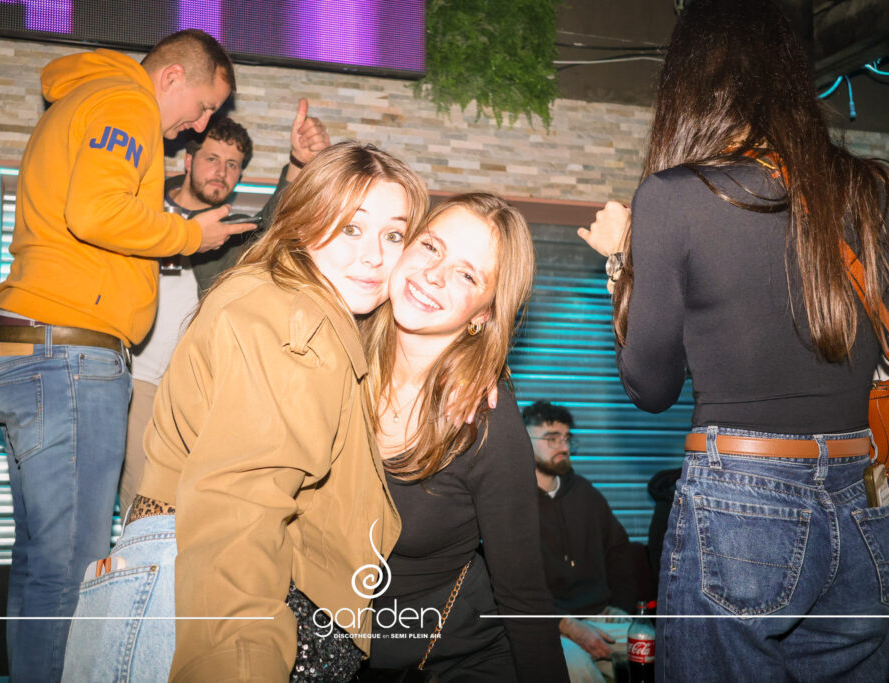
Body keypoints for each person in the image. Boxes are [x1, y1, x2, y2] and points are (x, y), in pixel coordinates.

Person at [577, 0, 889, 680]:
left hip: (741, 499)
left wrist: (622, 260)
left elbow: (650, 387)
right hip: (863, 497)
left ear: (689, 80)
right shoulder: (867, 188)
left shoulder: (675, 197)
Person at [61, 141, 429, 682]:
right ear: (303, 223)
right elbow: (240, 514)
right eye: (351, 227)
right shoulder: (292, 324)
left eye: (394, 235)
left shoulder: (297, 307)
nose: (375, 255)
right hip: (212, 609)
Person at [0, 29, 258, 683]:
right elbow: (96, 211)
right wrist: (187, 234)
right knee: (70, 571)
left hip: (29, 348)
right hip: (69, 356)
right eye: (204, 106)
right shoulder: (126, 103)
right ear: (172, 77)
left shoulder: (82, 99)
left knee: (40, 564)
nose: (200, 125)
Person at [363, 193, 569, 682]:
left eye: (467, 275)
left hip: (454, 657)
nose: (434, 274)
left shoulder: (485, 420)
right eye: (431, 247)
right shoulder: (330, 360)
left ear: (484, 314)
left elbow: (522, 593)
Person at [118, 102, 331, 515]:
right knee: (143, 509)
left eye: (233, 165)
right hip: (135, 382)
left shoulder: (232, 234)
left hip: (197, 391)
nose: (221, 172)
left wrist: (298, 163)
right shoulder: (142, 209)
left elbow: (275, 225)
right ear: (188, 160)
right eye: (213, 159)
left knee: (195, 511)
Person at [523, 400, 638, 683]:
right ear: (524, 442)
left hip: (599, 615)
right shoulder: (512, 504)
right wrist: (568, 625)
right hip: (549, 626)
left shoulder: (585, 493)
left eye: (566, 438)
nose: (563, 446)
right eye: (552, 438)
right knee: (576, 668)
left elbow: (619, 552)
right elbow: (515, 588)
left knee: (653, 647)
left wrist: (621, 605)